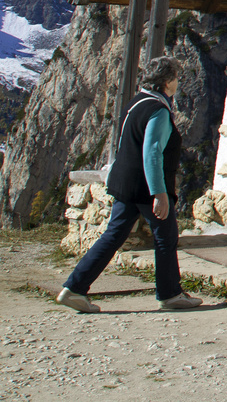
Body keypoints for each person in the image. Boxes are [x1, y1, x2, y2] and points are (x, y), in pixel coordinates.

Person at [57, 56, 202, 313]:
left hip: (125, 183)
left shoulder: (136, 102)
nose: (178, 83)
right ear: (167, 82)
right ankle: (170, 295)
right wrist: (159, 193)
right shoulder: (158, 109)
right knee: (165, 238)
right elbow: (152, 152)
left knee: (114, 235)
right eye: (176, 78)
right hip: (146, 186)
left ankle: (75, 288)